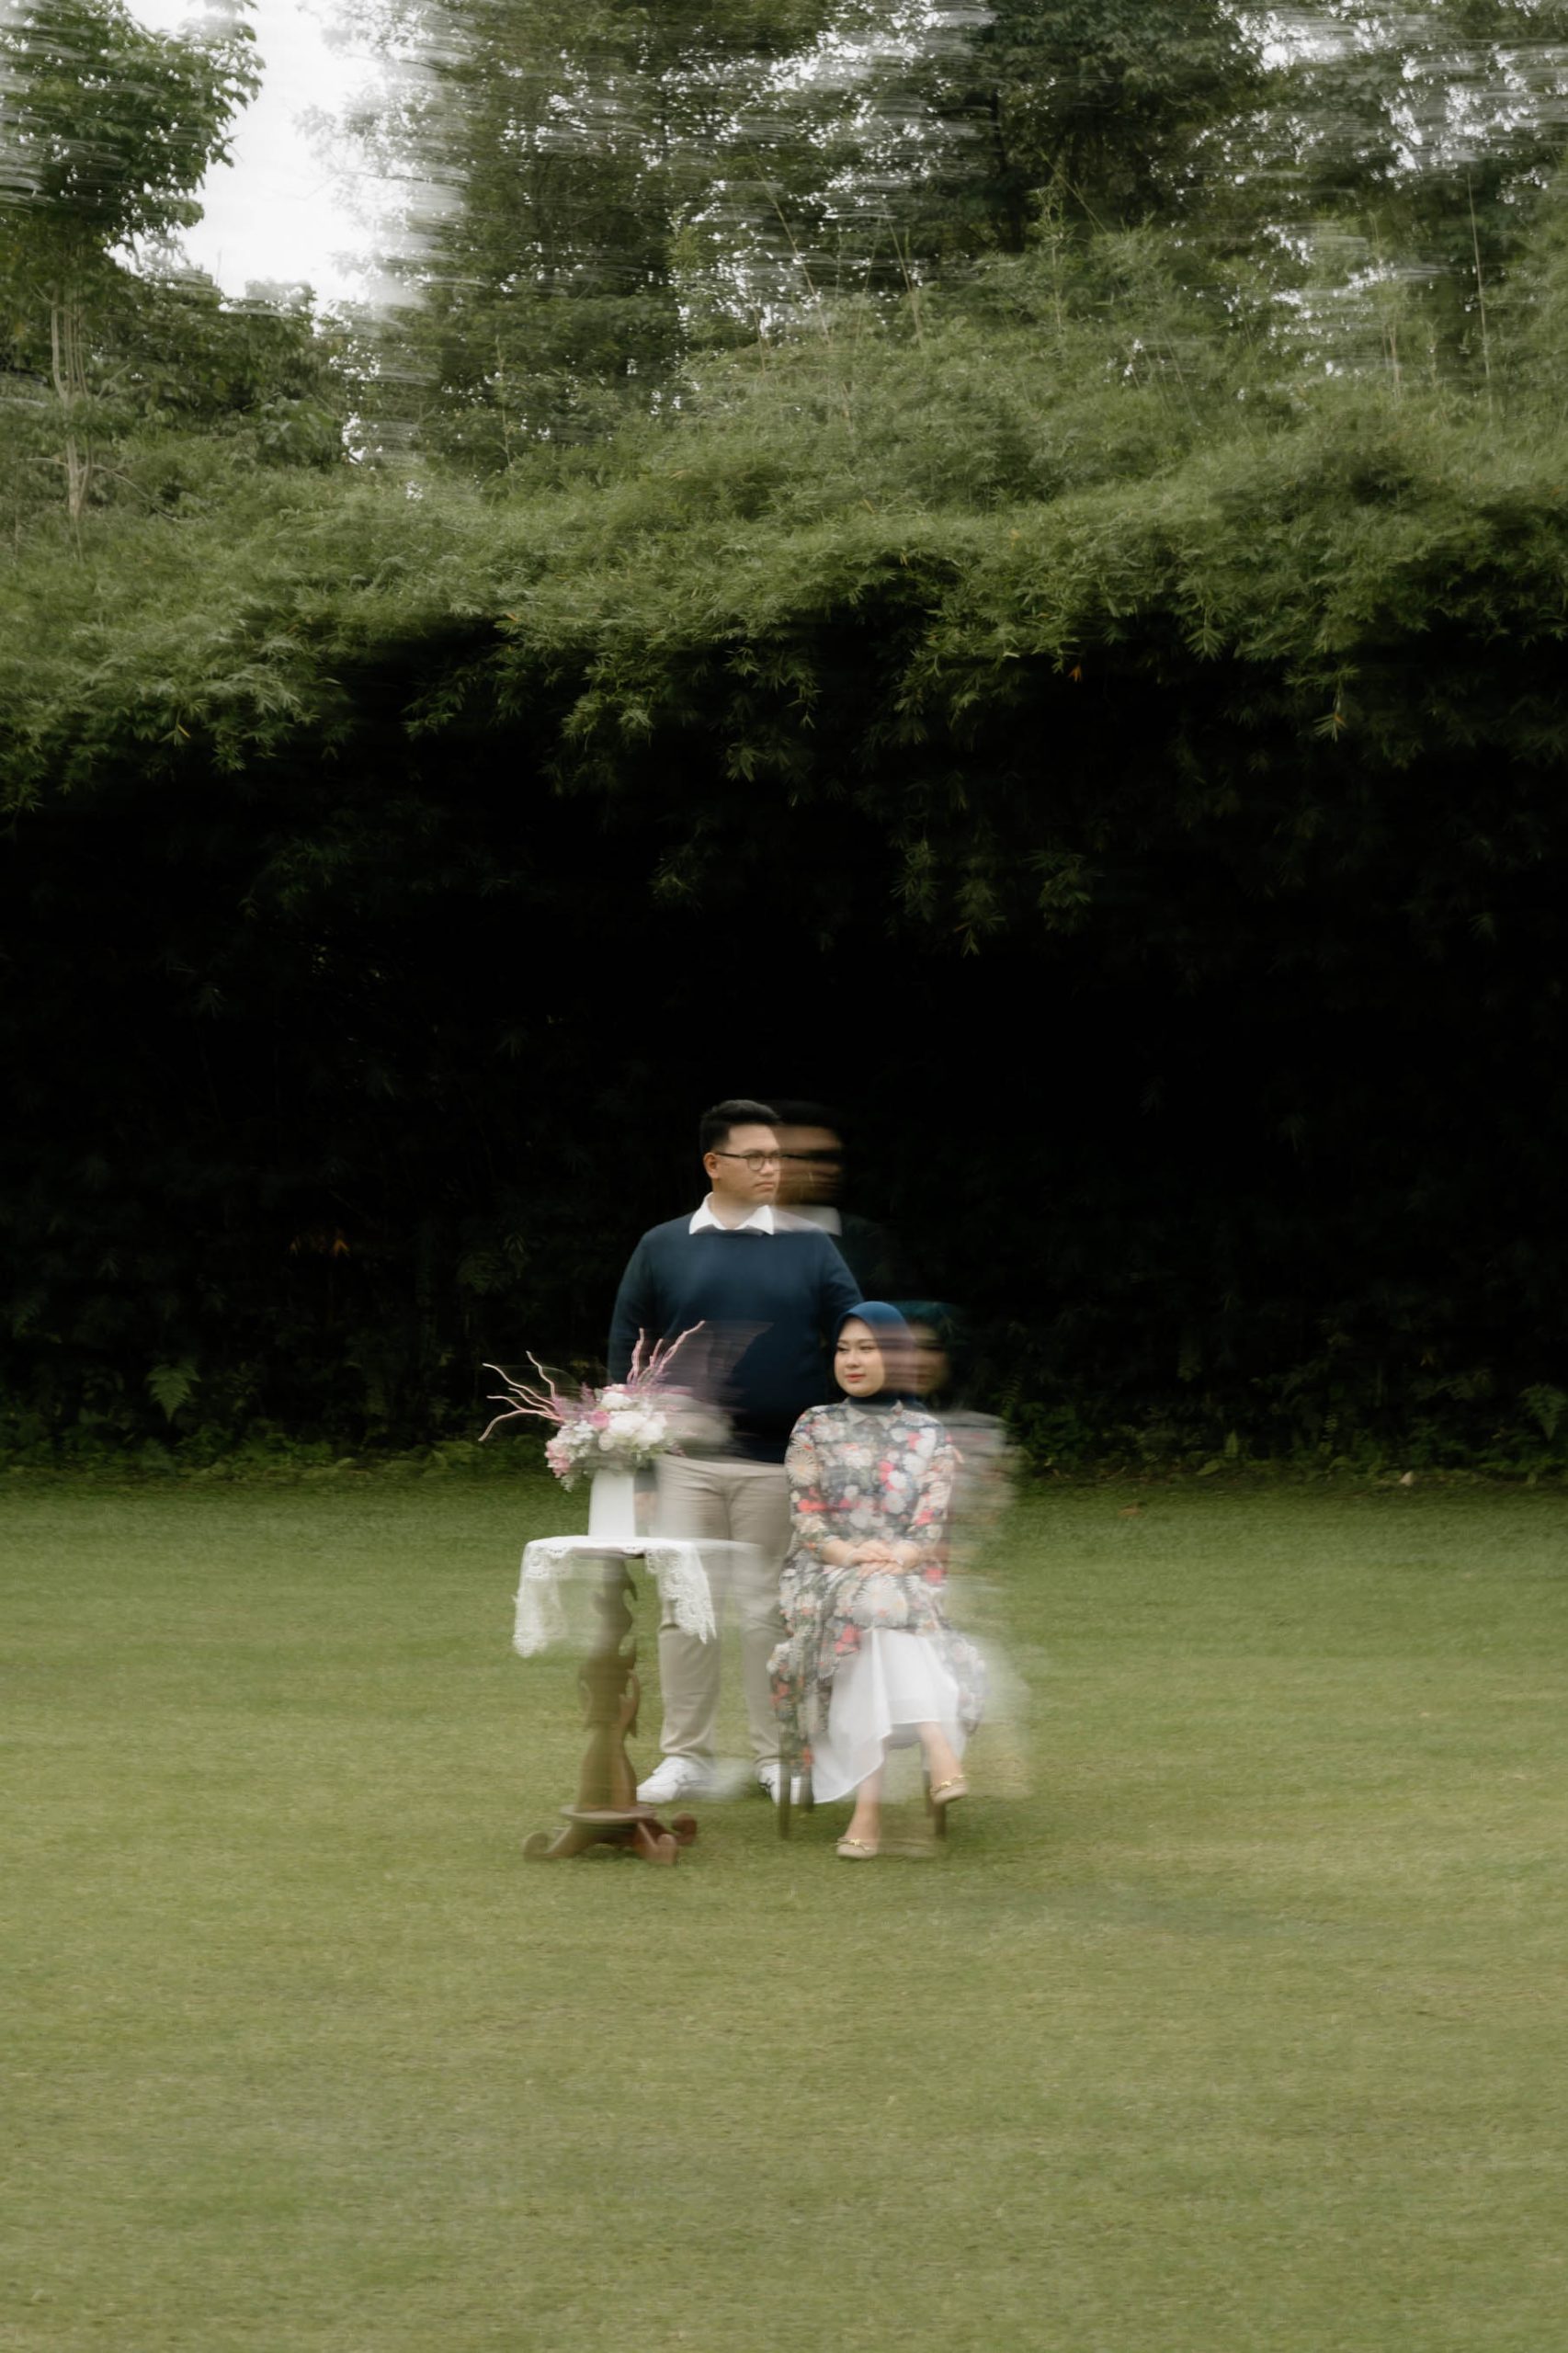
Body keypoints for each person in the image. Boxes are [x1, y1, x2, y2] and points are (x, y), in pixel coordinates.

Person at [608, 1099, 861, 1805]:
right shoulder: (662, 1246)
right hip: (683, 1462)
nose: (772, 1168)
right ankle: (686, 1758)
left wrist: (845, 1442)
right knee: (685, 1612)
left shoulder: (811, 1246)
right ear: (713, 1164)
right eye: (756, 1157)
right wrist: (639, 1472)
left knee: (767, 1615)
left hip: (781, 1464)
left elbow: (856, 1341)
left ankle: (774, 1756)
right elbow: (628, 1353)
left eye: (778, 1156)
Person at [770, 1302, 985, 1859]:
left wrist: (897, 1556)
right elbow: (807, 1517)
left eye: (867, 1348)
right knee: (873, 1601)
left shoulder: (928, 1433)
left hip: (903, 1572)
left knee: (878, 1610)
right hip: (823, 1572)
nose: (852, 1361)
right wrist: (851, 1555)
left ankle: (867, 1811)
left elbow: (928, 1524)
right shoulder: (814, 1424)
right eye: (844, 1349)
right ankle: (937, 1742)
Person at [769, 1099, 919, 1299]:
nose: (832, 1170)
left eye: (834, 1158)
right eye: (814, 1158)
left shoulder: (866, 1239)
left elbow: (904, 1310)